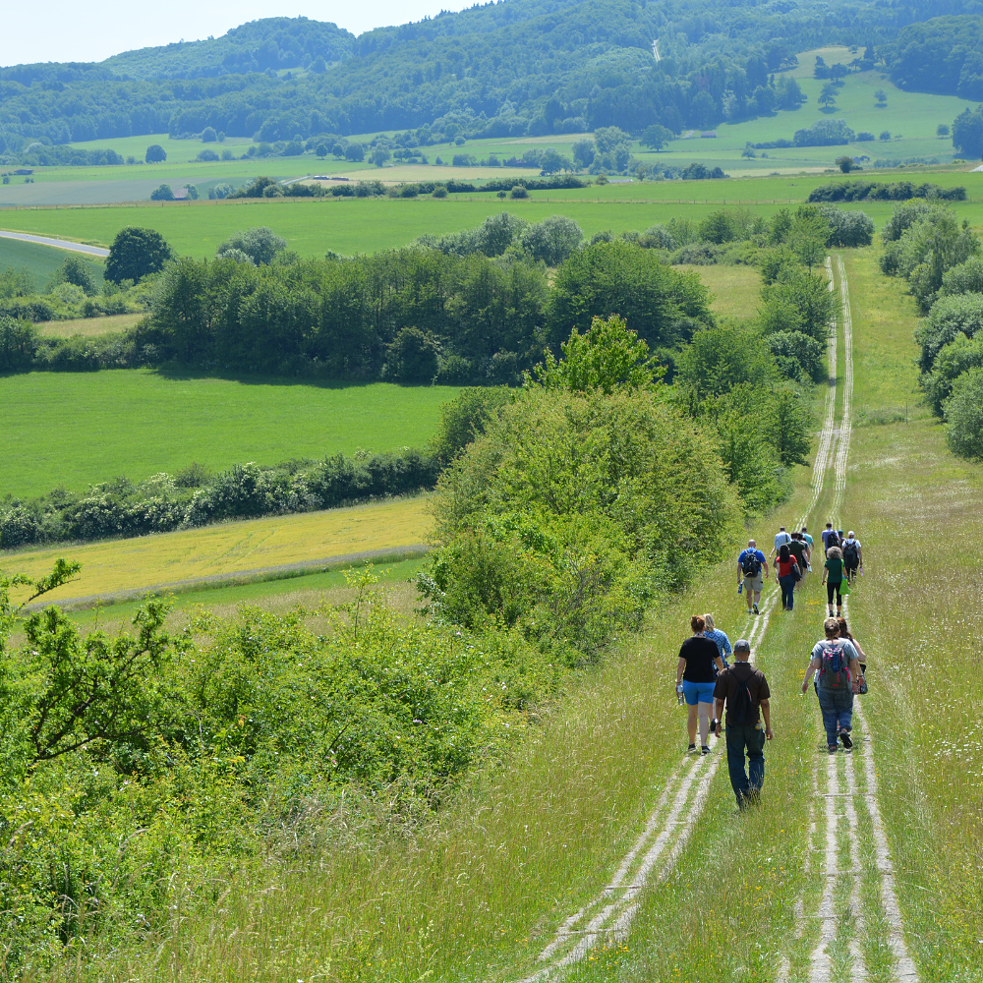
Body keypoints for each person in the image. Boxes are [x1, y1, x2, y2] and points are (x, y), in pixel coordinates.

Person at [712, 638, 772, 809]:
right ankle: (754, 785)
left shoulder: (725, 674)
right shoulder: (758, 674)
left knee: (735, 760)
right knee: (756, 756)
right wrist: (768, 727)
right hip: (754, 724)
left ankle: (742, 797)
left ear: (736, 654)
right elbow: (765, 703)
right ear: (748, 653)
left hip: (733, 725)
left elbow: (718, 701)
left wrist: (717, 723)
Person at [801, 617, 861, 752]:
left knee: (829, 713)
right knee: (845, 708)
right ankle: (844, 728)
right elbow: (854, 664)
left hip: (825, 686)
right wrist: (856, 679)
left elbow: (814, 665)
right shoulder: (846, 644)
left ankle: (832, 743)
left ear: (825, 632)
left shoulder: (819, 646)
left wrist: (805, 681)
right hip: (843, 685)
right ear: (838, 631)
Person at [675, 615, 725, 755]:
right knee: (703, 715)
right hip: (706, 682)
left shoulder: (687, 644)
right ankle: (704, 745)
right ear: (704, 628)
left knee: (692, 715)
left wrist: (678, 682)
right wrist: (721, 673)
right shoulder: (711, 643)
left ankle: (691, 744)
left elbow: (680, 666)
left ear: (692, 628)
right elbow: (719, 661)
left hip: (690, 682)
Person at [737, 539, 769, 615]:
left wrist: (738, 577)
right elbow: (765, 564)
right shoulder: (758, 552)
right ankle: (756, 603)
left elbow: (739, 566)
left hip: (746, 574)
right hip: (757, 574)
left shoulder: (743, 553)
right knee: (757, 591)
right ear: (755, 545)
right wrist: (767, 572)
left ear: (748, 545)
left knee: (749, 592)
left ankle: (750, 609)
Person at [775, 543, 800, 611]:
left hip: (782, 577)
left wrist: (776, 577)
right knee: (790, 592)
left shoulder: (779, 559)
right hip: (791, 577)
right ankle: (790, 607)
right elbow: (796, 567)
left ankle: (784, 605)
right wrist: (798, 575)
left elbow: (778, 569)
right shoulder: (792, 557)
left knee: (784, 592)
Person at [822, 544, 845, 617]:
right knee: (839, 597)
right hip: (839, 581)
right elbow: (844, 571)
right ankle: (838, 613)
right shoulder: (841, 561)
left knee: (830, 597)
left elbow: (825, 572)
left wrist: (823, 579)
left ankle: (831, 611)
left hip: (830, 581)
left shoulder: (828, 562)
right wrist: (847, 578)